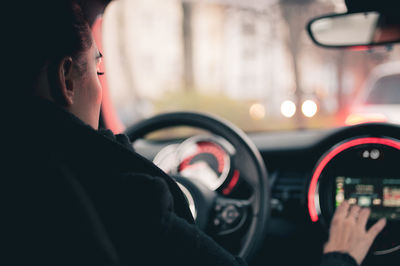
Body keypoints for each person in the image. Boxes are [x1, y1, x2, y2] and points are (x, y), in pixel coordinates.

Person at [3, 0, 386, 265]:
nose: (100, 83)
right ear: (67, 78)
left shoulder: (31, 175)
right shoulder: (126, 198)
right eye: (98, 70)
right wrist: (341, 255)